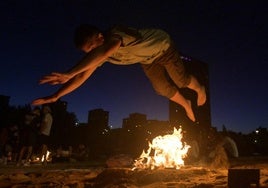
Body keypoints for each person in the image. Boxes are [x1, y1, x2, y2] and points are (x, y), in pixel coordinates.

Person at [32, 25, 206, 122]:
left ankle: (200, 89)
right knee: (161, 88)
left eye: (92, 48)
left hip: (163, 46)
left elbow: (107, 50)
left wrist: (69, 72)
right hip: (148, 60)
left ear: (100, 37)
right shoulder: (101, 55)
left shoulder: (115, 35)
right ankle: (186, 104)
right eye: (89, 53)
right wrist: (57, 95)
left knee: (181, 80)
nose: (92, 54)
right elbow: (82, 76)